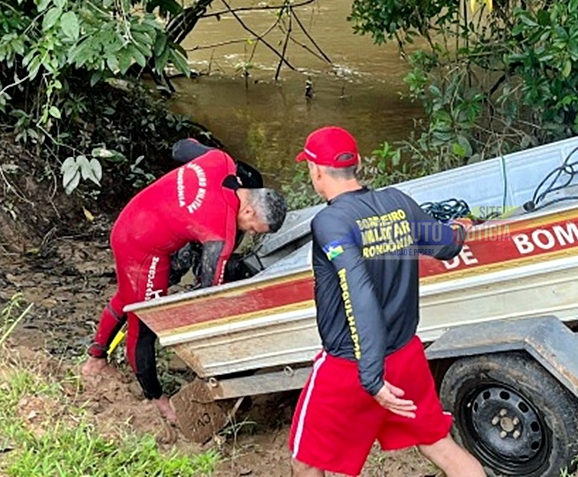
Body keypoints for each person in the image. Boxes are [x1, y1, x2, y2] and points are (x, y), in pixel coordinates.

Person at [287, 126, 485, 477]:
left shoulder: (331, 222)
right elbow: (446, 245)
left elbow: (359, 292)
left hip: (351, 365)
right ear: (358, 162)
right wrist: (460, 227)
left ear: (315, 171)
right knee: (437, 444)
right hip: (405, 355)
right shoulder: (397, 203)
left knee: (306, 461)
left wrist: (371, 377)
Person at [80, 140, 287, 424]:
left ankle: (95, 359)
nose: (247, 233)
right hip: (143, 248)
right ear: (249, 211)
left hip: (131, 217)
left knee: (126, 299)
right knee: (145, 322)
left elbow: (180, 148)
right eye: (252, 229)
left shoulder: (219, 160)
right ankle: (156, 399)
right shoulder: (221, 233)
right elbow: (206, 296)